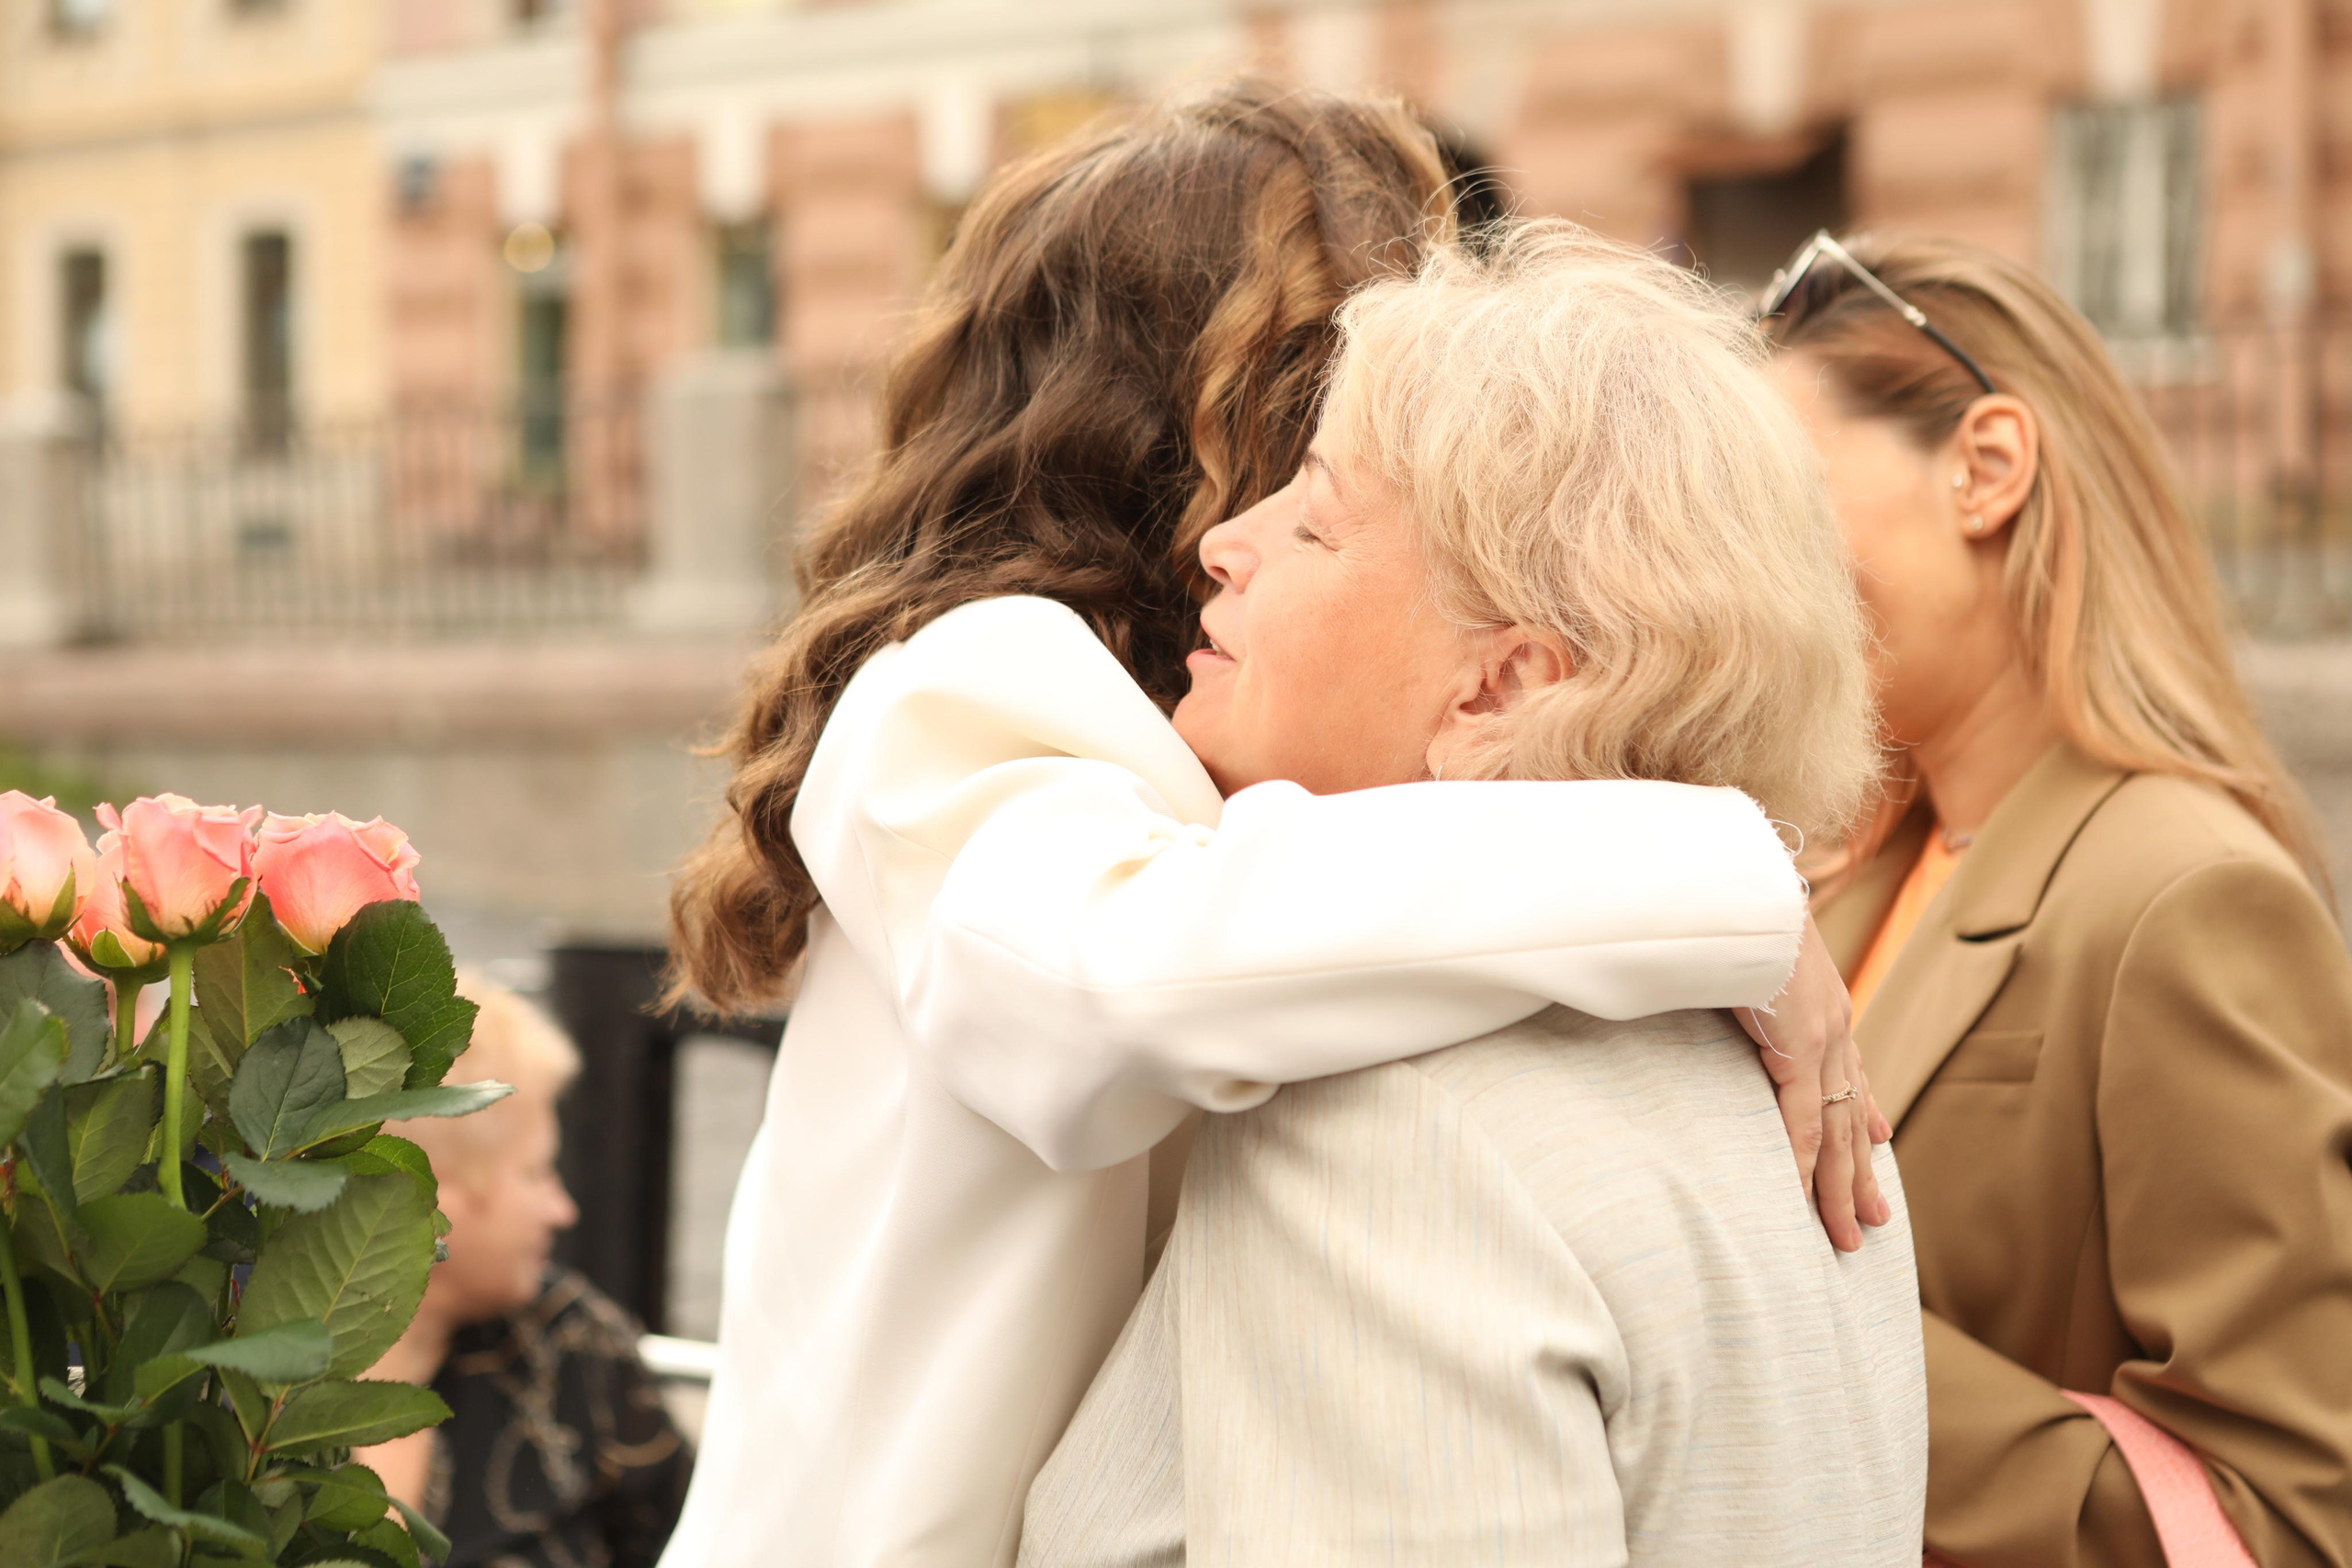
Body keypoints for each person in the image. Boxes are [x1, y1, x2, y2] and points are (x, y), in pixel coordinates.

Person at [658, 83, 1887, 1568]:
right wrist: (1714, 875)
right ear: (1181, 414)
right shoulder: (975, 684)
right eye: (1325, 407)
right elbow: (1110, 984)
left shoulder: (1234, 748)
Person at [1022, 220, 1924, 1567]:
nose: (1222, 540)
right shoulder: (1791, 1089)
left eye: (1317, 514)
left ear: (1499, 685)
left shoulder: (1386, 1120)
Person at [1763, 230, 2352, 1567]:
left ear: (1986, 469)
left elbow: (2290, 1518)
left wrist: (1783, 1326)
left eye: (1781, 494)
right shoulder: (1848, 871)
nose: (1746, 559)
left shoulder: (2189, 892)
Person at [357, 976, 691, 1568]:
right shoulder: (236, 1394)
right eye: (537, 1173)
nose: (563, 1209)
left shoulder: (569, 1344)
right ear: (430, 1191)